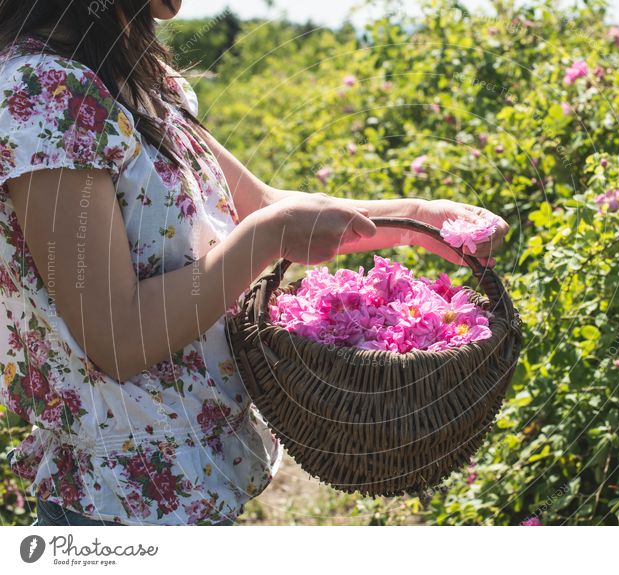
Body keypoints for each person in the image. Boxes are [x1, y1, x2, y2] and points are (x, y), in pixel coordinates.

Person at [0, 0, 507, 525]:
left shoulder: (132, 79)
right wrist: (266, 238)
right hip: (121, 502)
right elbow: (117, 337)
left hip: (194, 477)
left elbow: (261, 203)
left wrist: (418, 220)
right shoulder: (44, 96)